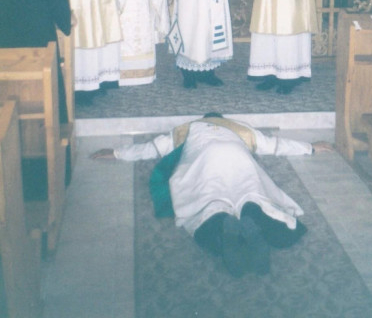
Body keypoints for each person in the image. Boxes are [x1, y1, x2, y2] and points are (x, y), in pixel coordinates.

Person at [91, 112, 333, 277]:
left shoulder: (186, 129)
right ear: (222, 119)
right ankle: (252, 213)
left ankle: (222, 223)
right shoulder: (240, 128)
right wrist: (311, 147)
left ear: (202, 119)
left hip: (204, 163)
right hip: (239, 162)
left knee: (206, 209)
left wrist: (116, 153)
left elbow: (151, 148)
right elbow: (275, 145)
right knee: (253, 196)